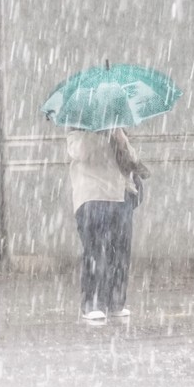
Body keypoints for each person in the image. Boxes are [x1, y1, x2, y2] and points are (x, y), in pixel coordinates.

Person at [66, 127, 146, 324]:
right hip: (92, 195)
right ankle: (92, 303)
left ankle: (116, 301)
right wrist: (103, 135)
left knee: (120, 251)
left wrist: (120, 138)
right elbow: (82, 152)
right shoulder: (77, 128)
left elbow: (132, 159)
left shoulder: (117, 126)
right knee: (95, 250)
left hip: (120, 195)